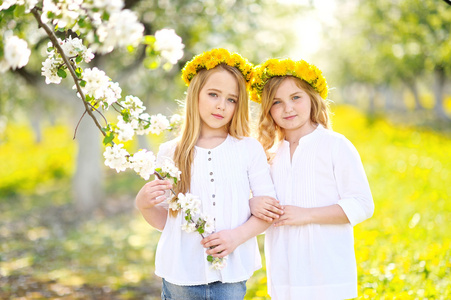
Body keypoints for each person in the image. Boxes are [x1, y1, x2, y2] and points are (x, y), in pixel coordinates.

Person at [135, 48, 276, 300]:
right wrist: (144, 206)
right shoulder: (171, 152)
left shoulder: (247, 148)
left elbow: (268, 212)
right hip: (181, 275)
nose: (222, 105)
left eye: (231, 99)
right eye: (213, 94)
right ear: (195, 95)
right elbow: (168, 222)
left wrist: (236, 237)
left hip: (230, 274)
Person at [248, 58, 375, 300]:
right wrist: (253, 203)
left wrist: (306, 214)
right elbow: (261, 206)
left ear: (311, 99)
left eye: (296, 97)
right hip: (285, 274)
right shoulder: (267, 154)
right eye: (277, 102)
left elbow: (362, 204)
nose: (288, 108)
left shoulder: (335, 145)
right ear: (267, 109)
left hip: (328, 272)